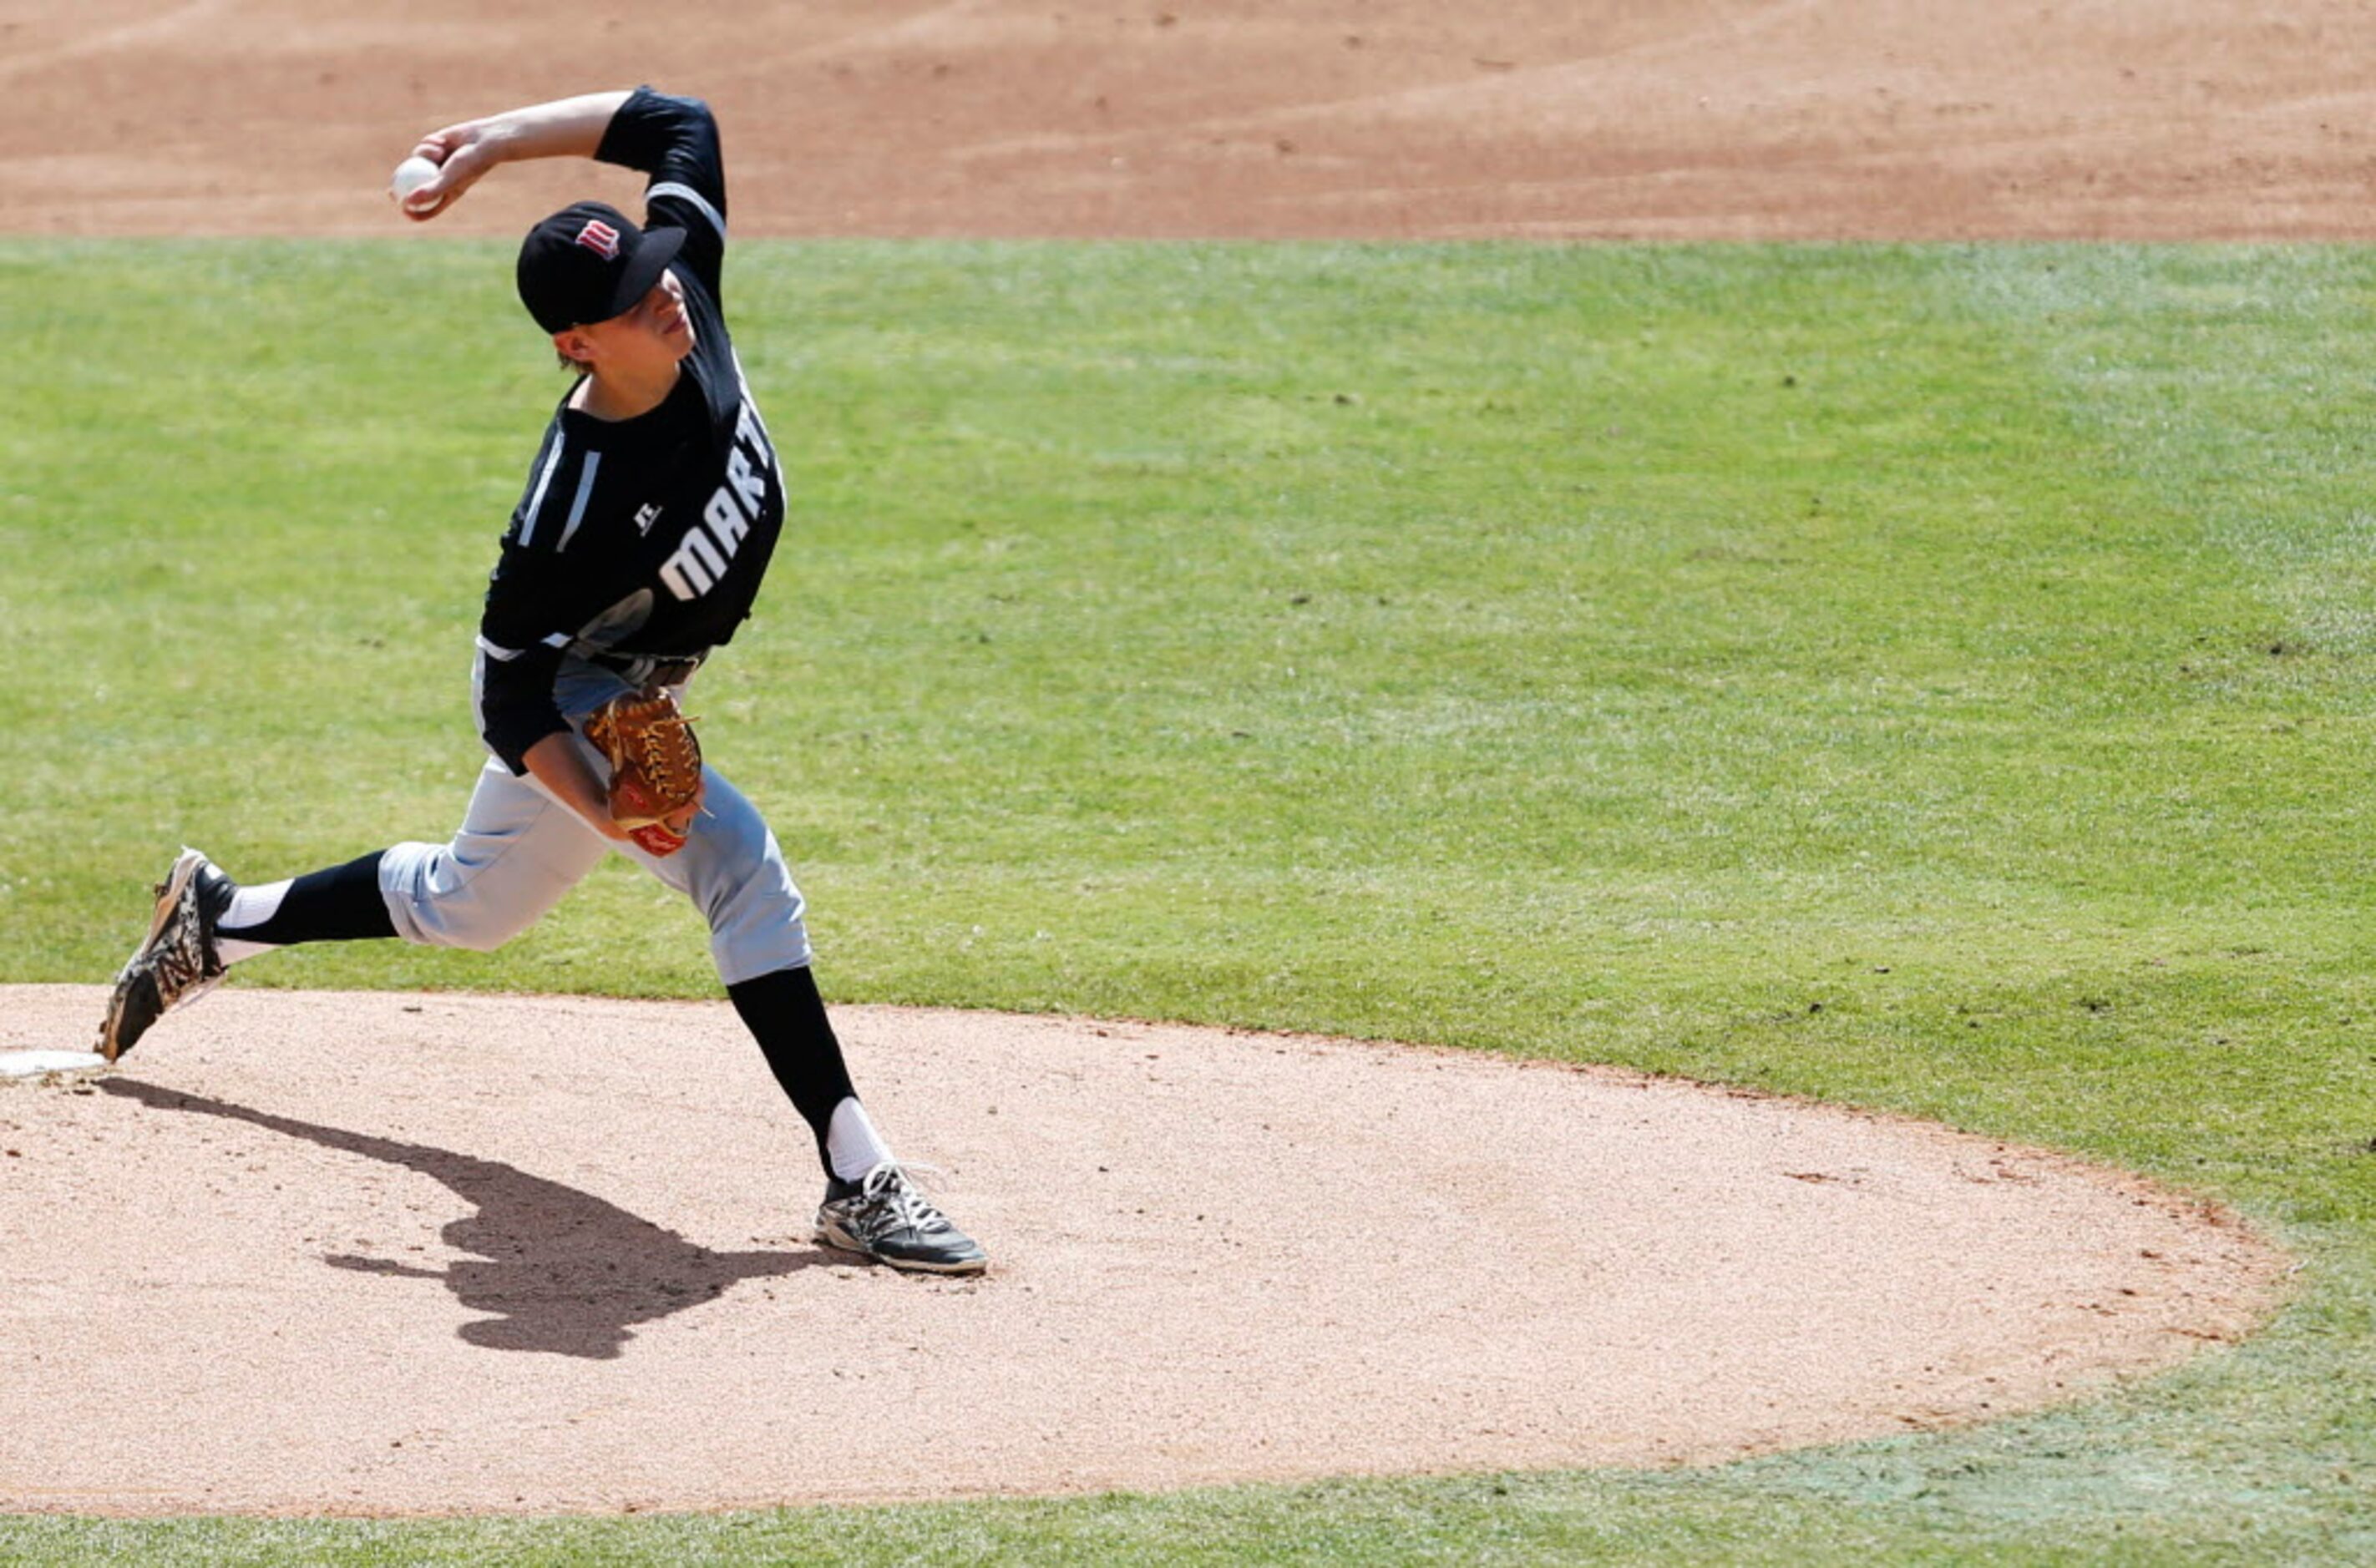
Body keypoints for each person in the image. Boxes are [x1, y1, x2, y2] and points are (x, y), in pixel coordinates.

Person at [96, 87, 986, 1277]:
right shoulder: (567, 512)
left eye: (659, 273)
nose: (666, 295)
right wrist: (609, 798)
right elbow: (508, 699)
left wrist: (497, 143)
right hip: (579, 697)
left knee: (477, 905)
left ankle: (218, 919)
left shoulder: (685, 296)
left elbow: (677, 122)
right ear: (577, 342)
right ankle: (859, 1179)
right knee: (742, 871)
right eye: (632, 300)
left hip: (636, 681)